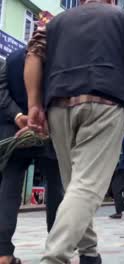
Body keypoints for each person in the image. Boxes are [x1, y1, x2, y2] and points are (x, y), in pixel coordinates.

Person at [23, 0, 124, 262]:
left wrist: (34, 104)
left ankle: (89, 253)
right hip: (106, 102)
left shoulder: (53, 23)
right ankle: (54, 257)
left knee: (75, 185)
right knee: (87, 187)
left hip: (58, 105)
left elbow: (33, 55)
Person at [0, 48, 64, 264]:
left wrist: (19, 116)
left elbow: (2, 91)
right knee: (56, 192)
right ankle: (57, 250)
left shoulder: (12, 58)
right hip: (49, 132)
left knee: (8, 191)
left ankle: (3, 253)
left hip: (14, 132)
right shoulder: (57, 57)